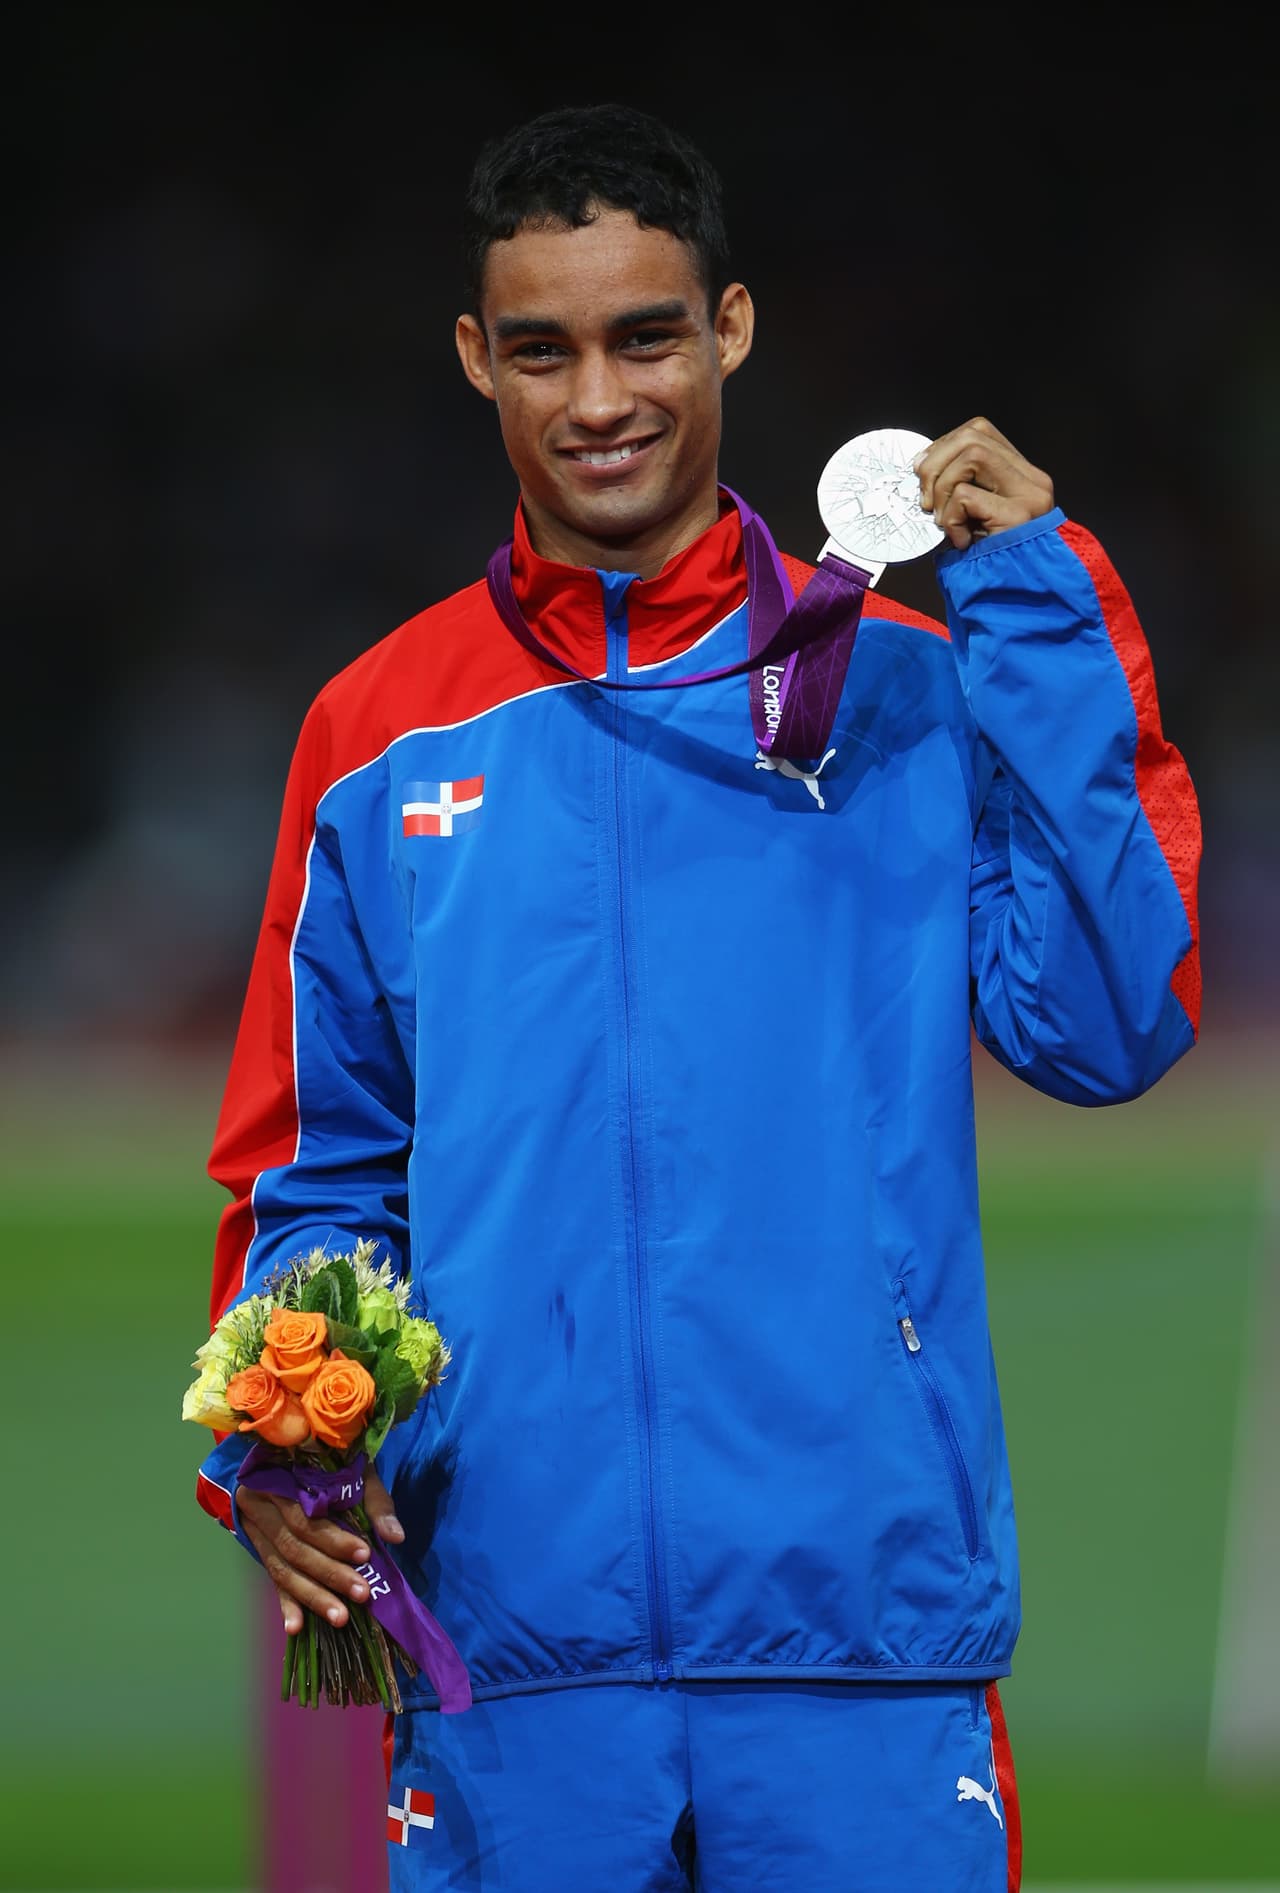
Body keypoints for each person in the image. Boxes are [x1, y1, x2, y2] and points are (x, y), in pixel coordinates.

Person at [195, 101, 1202, 1892]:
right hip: (508, 1657)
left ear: (729, 330)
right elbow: (321, 1172)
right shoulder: (376, 738)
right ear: (473, 361)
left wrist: (1038, 619)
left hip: (862, 1641)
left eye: (646, 334)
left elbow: (1112, 1021)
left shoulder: (900, 689)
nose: (600, 398)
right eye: (543, 348)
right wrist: (287, 1446)